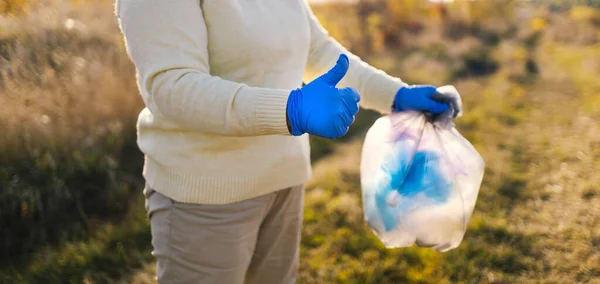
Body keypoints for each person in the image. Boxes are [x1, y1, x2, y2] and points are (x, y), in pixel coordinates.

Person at [115, 0, 462, 283]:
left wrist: (396, 95)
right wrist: (290, 109)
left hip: (283, 179)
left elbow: (323, 54)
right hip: (206, 199)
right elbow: (174, 88)